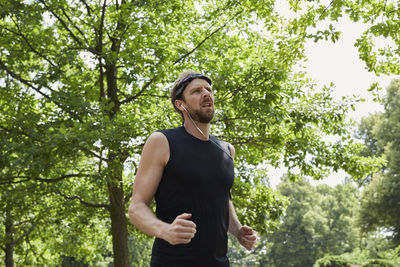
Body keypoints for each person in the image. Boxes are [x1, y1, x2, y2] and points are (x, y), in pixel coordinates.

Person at [128, 70, 257, 266]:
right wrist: (166, 231)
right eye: (196, 91)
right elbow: (136, 207)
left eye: (209, 90)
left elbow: (222, 199)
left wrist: (238, 230)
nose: (206, 94)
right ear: (181, 105)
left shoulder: (227, 151)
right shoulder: (162, 142)